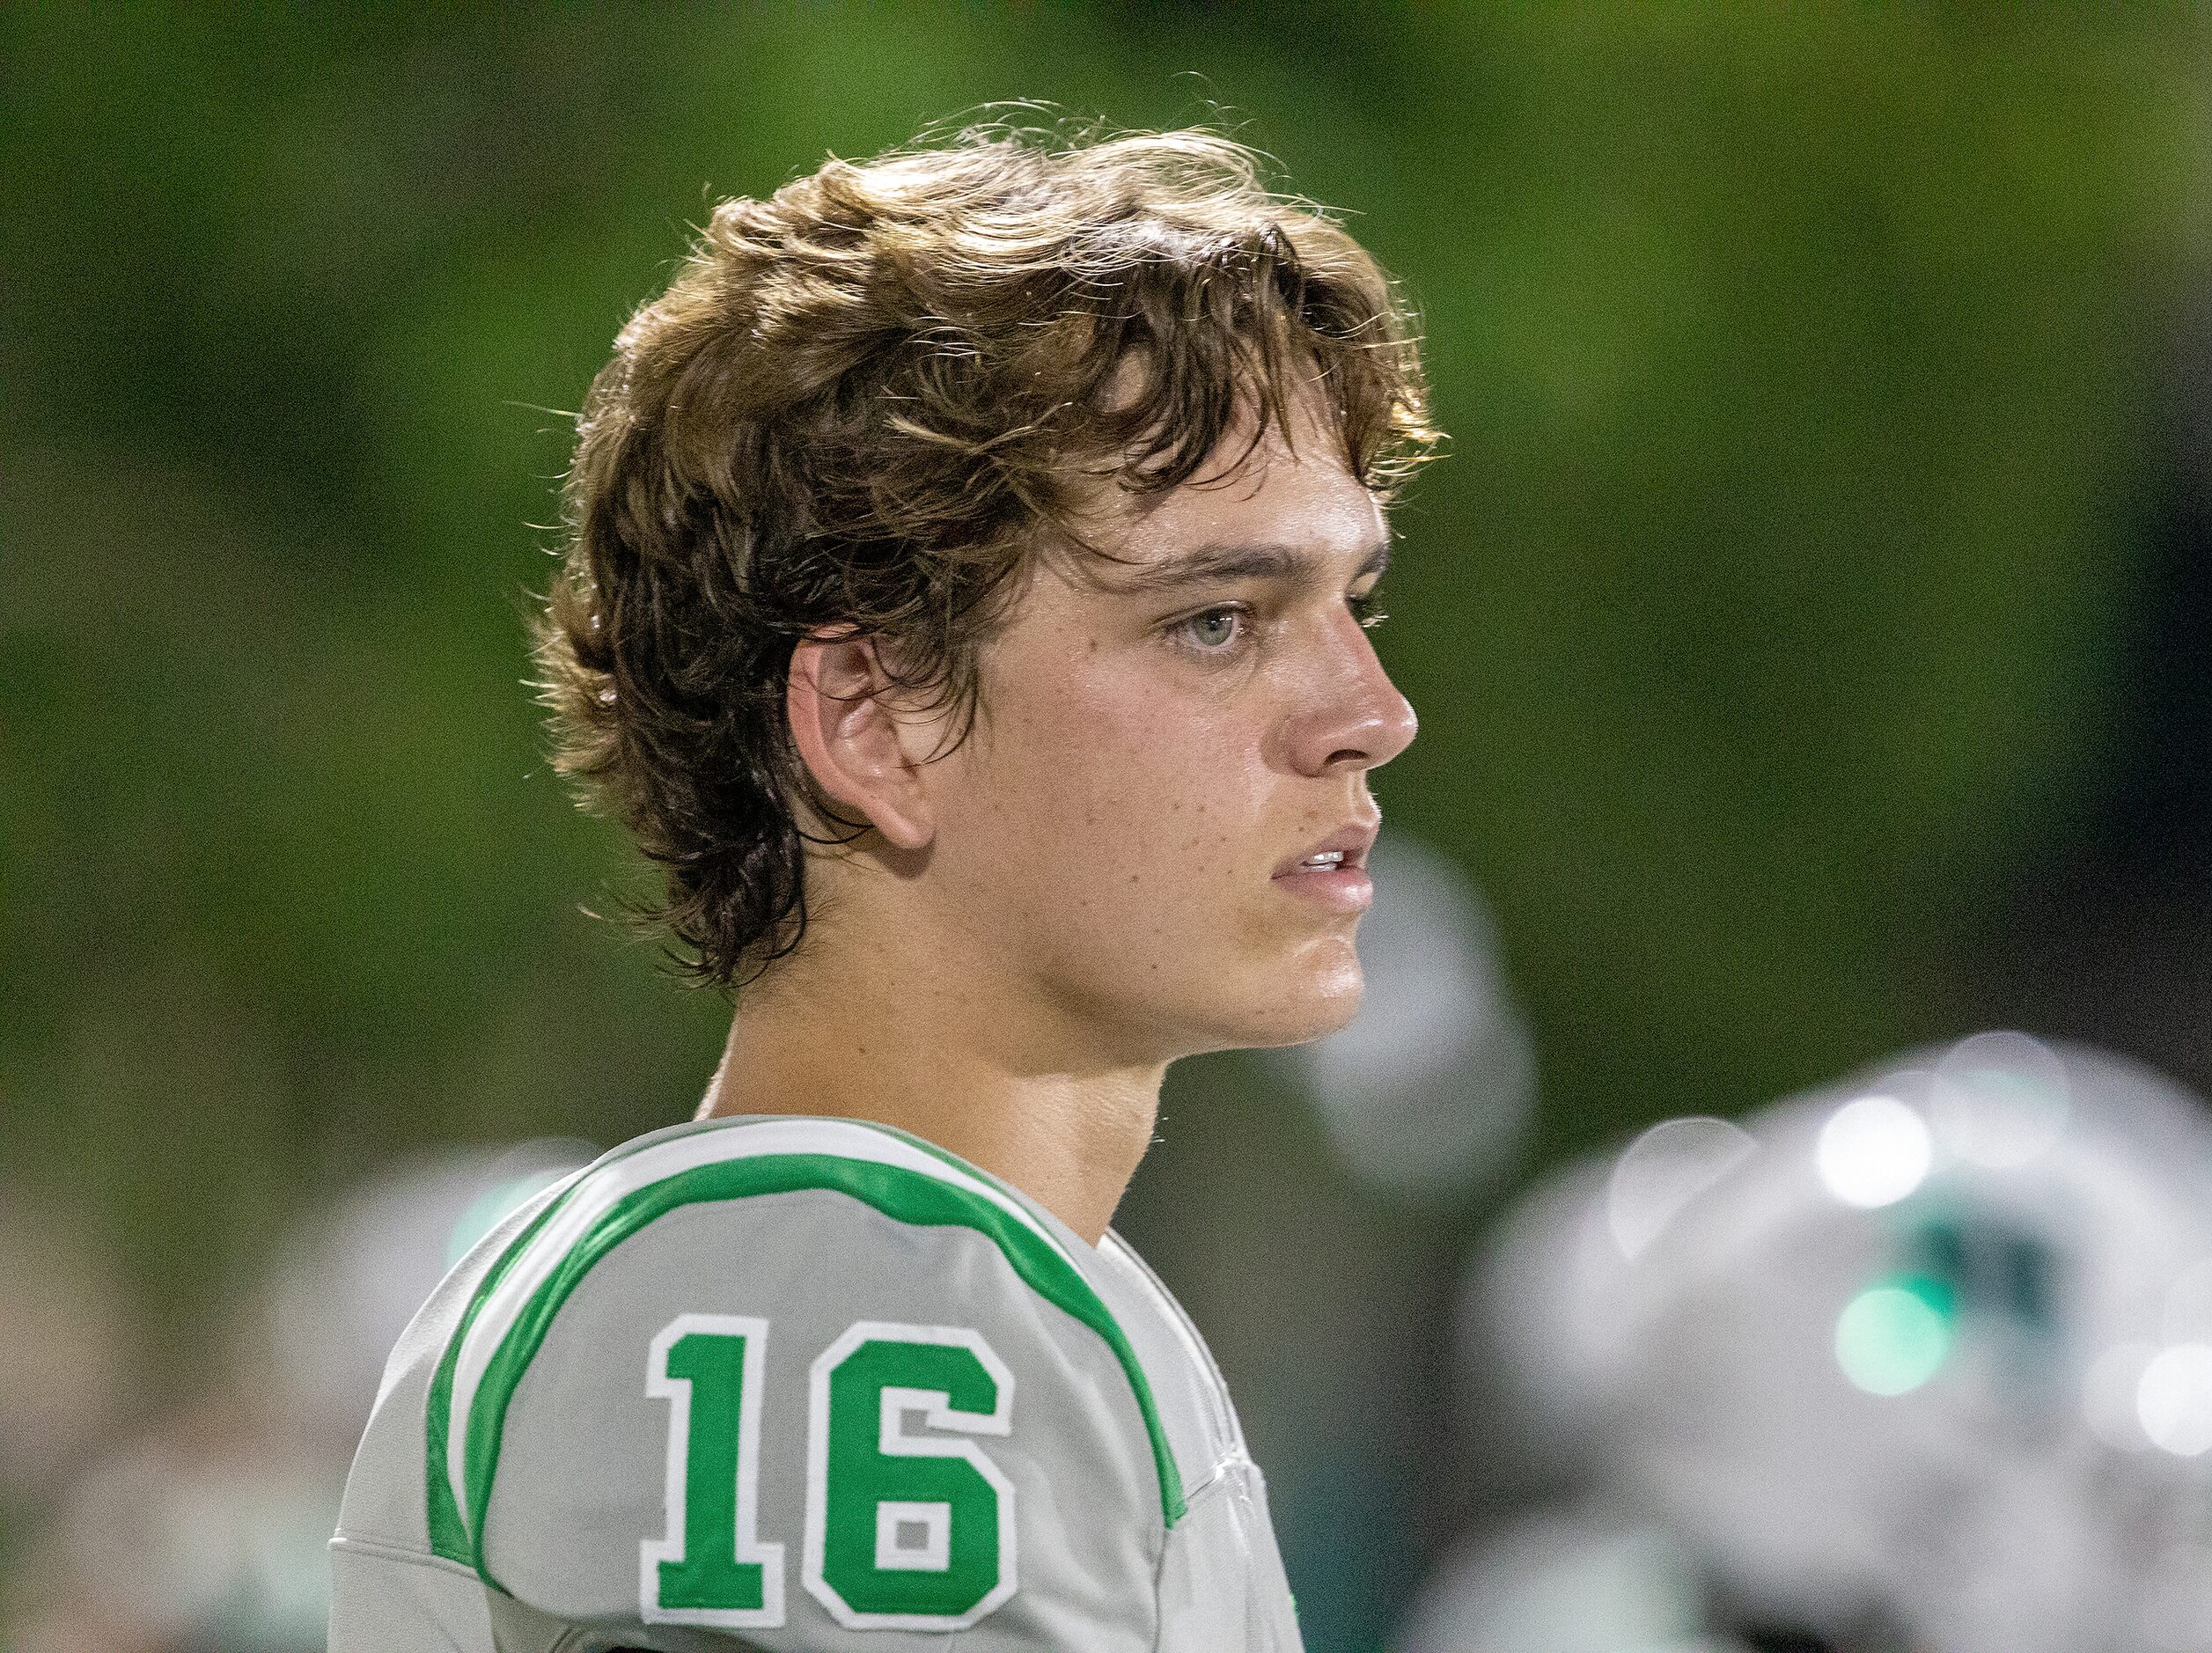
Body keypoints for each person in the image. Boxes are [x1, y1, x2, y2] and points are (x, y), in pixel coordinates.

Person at [327, 121, 1435, 1653]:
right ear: (873, 719)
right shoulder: (854, 1293)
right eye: (1217, 619)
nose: (1370, 712)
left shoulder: (902, 1268)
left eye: (1349, 601)